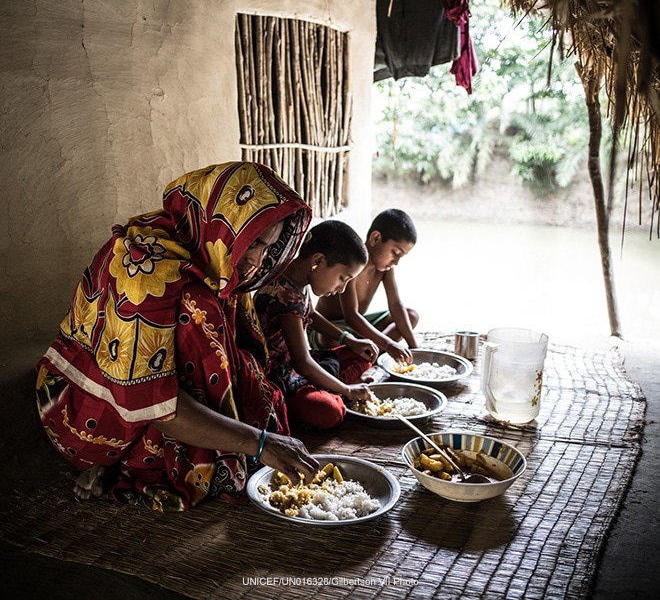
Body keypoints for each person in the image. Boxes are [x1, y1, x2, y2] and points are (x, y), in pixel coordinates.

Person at [35, 162, 319, 512]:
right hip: (86, 409)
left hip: (151, 395)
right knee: (198, 310)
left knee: (245, 370)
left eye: (267, 247)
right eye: (254, 243)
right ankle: (115, 461)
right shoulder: (144, 268)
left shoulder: (215, 254)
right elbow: (153, 404)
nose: (257, 262)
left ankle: (211, 442)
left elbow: (241, 356)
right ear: (223, 222)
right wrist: (260, 443)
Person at [254, 220, 379, 430]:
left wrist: (349, 339)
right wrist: (348, 392)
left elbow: (309, 313)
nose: (342, 289)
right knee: (331, 413)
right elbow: (302, 362)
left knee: (364, 353)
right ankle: (336, 390)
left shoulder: (297, 277)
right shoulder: (285, 294)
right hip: (281, 378)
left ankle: (330, 387)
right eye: (342, 278)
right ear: (318, 260)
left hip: (302, 365)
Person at [314, 208, 419, 363]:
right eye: (395, 253)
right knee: (329, 339)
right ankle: (367, 355)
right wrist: (389, 344)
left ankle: (363, 355)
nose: (396, 262)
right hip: (333, 328)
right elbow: (351, 317)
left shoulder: (385, 269)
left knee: (411, 316)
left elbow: (395, 305)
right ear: (375, 238)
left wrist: (414, 348)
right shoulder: (353, 263)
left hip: (359, 327)